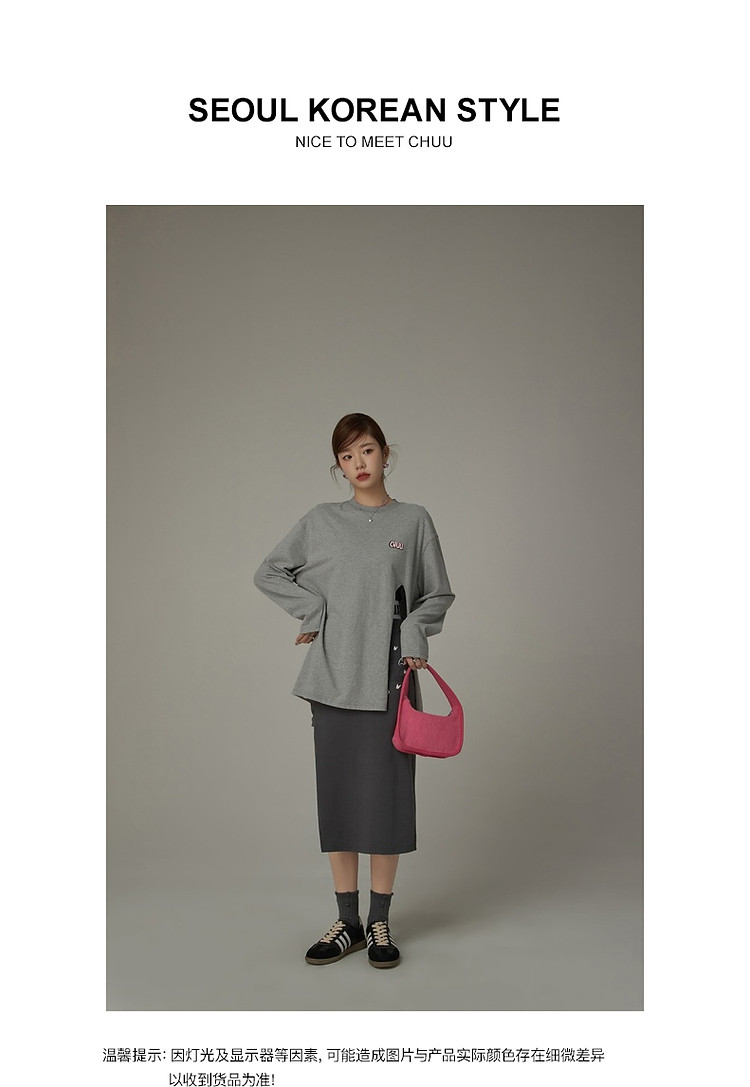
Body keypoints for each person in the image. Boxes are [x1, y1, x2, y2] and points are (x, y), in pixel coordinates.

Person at [254, 413, 454, 968]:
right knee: (339, 798)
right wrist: (313, 610)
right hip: (333, 676)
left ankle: (379, 920)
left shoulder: (413, 520)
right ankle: (348, 922)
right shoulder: (321, 521)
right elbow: (269, 572)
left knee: (386, 801)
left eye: (366, 450)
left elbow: (436, 594)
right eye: (346, 456)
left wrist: (414, 633)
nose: (358, 463)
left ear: (385, 453)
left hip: (390, 676)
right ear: (338, 466)